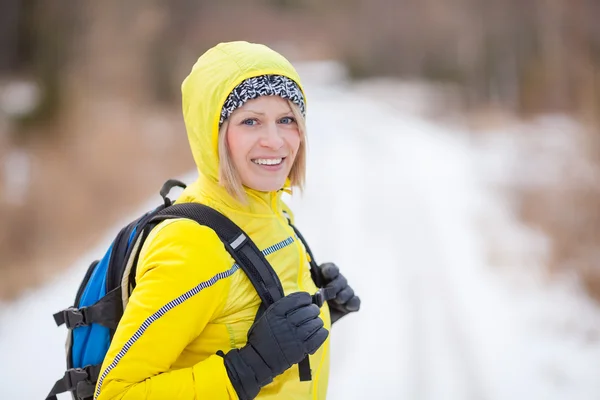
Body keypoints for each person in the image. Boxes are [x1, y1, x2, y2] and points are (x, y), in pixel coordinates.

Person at [94, 41, 360, 400]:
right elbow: (115, 393)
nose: (275, 140)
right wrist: (247, 367)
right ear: (212, 133)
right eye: (250, 121)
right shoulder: (192, 243)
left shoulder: (271, 210)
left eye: (287, 120)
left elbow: (233, 323)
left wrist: (322, 309)